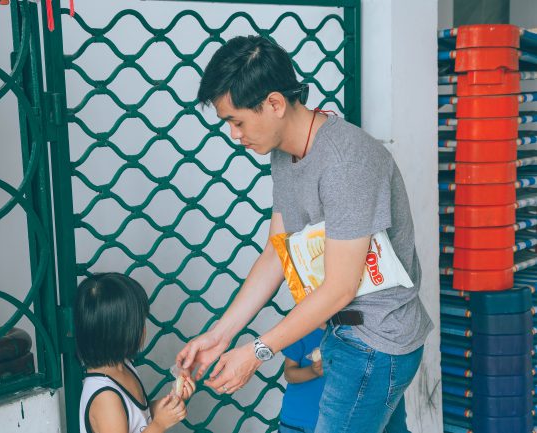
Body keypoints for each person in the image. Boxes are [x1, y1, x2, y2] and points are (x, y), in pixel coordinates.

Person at [175, 35, 433, 433]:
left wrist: (256, 352)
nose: (233, 134)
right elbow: (276, 253)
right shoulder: (286, 153)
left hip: (376, 342)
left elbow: (340, 289)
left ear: (275, 104)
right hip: (344, 333)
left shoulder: (346, 163)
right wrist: (219, 335)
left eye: (237, 121)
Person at [75, 272, 196, 433]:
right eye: (140, 322)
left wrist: (170, 404)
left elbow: (137, 417)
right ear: (120, 332)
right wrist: (160, 424)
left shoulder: (123, 365)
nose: (144, 328)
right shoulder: (105, 397)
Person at [279, 328, 325, 433]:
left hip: (340, 422)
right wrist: (313, 371)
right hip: (298, 419)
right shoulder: (303, 329)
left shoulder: (356, 335)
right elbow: (289, 374)